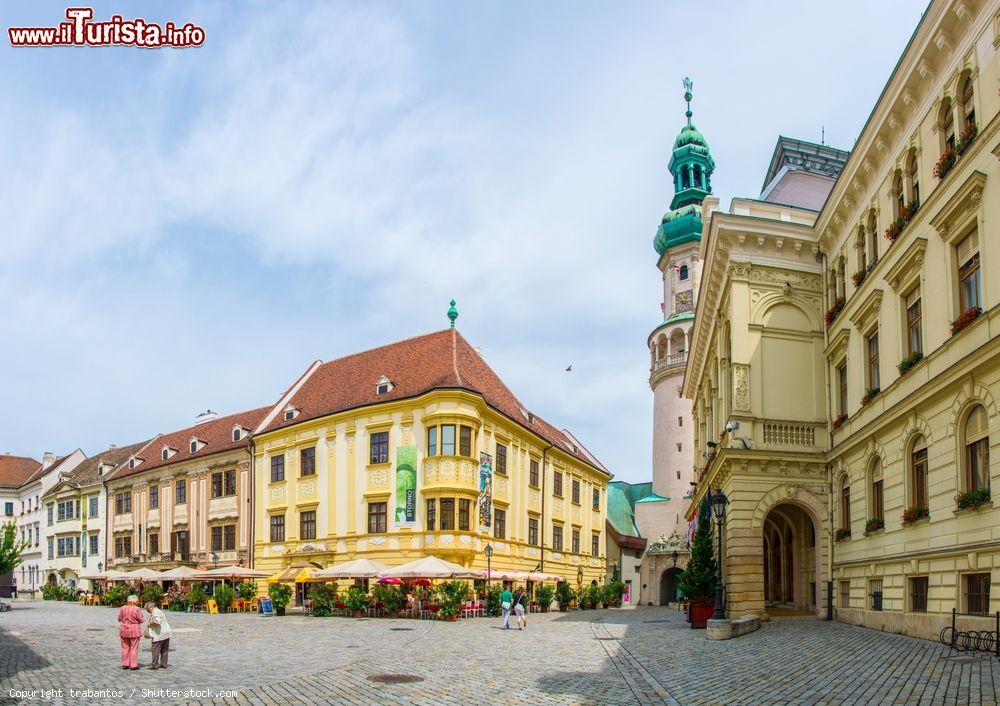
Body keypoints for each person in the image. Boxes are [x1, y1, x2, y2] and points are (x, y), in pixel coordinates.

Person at [117, 595, 145, 670]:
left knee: (125, 647)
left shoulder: (123, 608)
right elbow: (142, 620)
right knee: (134, 647)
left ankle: (125, 663)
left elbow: (119, 618)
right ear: (135, 601)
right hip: (134, 630)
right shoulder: (136, 609)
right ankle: (133, 665)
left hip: (124, 630)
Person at [144, 601, 172, 669]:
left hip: (159, 634)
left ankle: (154, 665)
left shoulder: (155, 612)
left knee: (155, 650)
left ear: (151, 607)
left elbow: (157, 621)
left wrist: (150, 624)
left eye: (148, 610)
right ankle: (164, 664)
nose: (148, 612)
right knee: (164, 650)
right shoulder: (159, 611)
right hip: (166, 633)